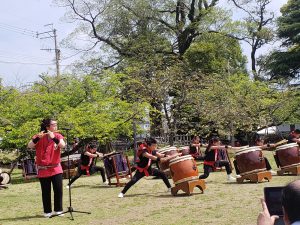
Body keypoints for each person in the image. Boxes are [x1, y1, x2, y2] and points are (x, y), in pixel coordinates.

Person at [27, 118, 66, 218]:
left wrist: (54, 138)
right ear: (47, 126)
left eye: (56, 124)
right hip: (43, 169)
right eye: (54, 124)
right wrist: (37, 138)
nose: (56, 126)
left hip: (56, 168)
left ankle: (58, 210)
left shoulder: (57, 135)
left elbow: (62, 145)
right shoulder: (38, 135)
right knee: (46, 191)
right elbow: (30, 145)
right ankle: (47, 211)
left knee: (58, 190)